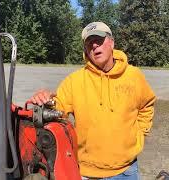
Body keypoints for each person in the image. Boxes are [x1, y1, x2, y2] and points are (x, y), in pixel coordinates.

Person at [28, 22, 156, 179]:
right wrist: (44, 99)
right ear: (86, 51)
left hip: (126, 170)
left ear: (111, 42)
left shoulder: (134, 76)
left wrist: (140, 133)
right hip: (86, 172)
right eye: (89, 43)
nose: (94, 46)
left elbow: (147, 105)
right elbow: (57, 113)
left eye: (99, 40)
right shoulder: (74, 81)